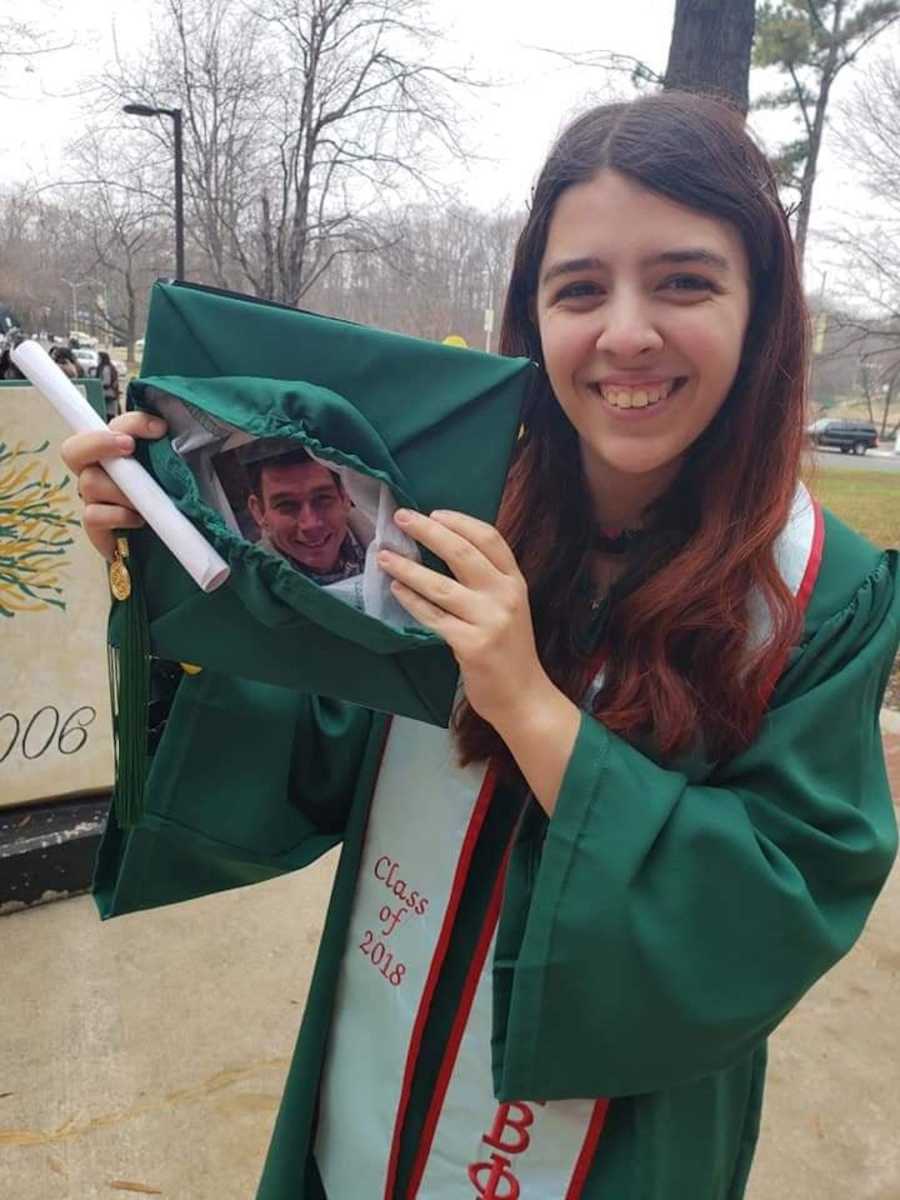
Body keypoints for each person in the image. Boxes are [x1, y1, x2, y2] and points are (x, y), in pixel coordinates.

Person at [61, 92, 898, 1200]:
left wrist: (530, 707)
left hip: (611, 1151)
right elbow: (319, 741)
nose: (627, 332)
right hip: (371, 1082)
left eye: (685, 281)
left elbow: (778, 905)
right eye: (580, 289)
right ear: (532, 315)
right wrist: (168, 563)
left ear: (764, 310)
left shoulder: (816, 589)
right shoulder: (450, 509)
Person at [243, 445, 367, 582]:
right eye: (286, 505)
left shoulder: (391, 537)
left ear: (345, 497)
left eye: (322, 498)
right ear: (259, 512)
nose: (311, 525)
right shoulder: (248, 591)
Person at [96, 351, 120, 422]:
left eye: (99, 358)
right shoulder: (109, 367)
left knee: (108, 415)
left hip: (107, 394)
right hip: (111, 394)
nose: (97, 359)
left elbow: (107, 382)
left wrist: (97, 384)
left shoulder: (105, 368)